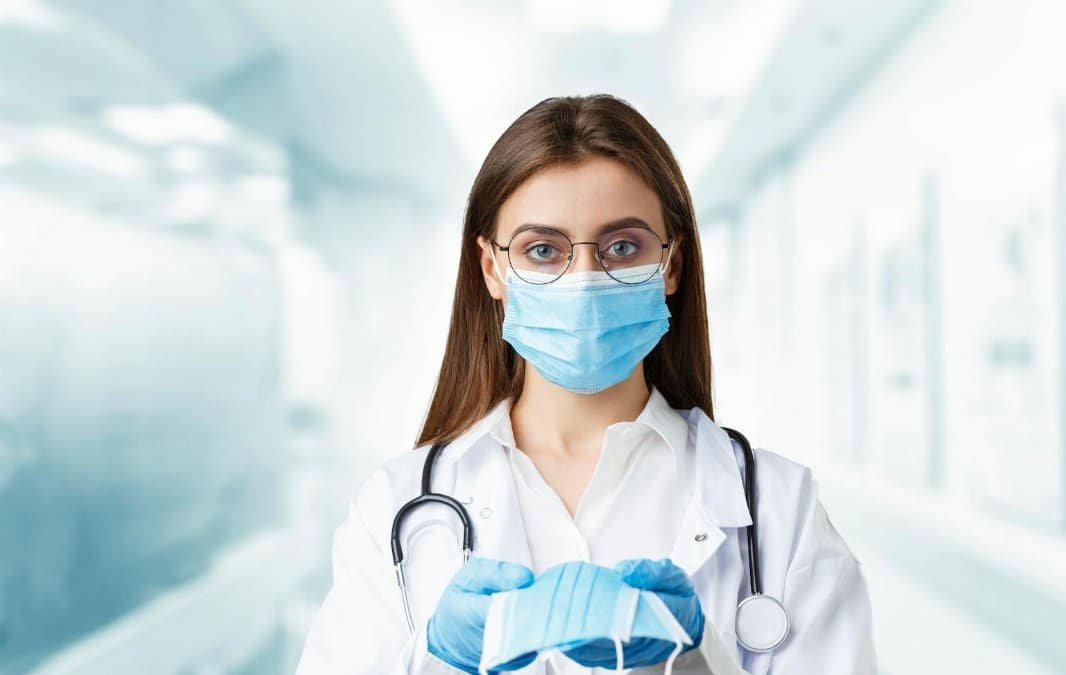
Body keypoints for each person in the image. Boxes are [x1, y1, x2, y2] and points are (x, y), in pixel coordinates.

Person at [296, 94, 877, 674]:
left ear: (671, 263)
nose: (584, 279)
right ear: (492, 269)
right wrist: (435, 660)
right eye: (542, 250)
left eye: (622, 247)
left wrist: (704, 663)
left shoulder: (778, 507)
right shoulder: (394, 507)